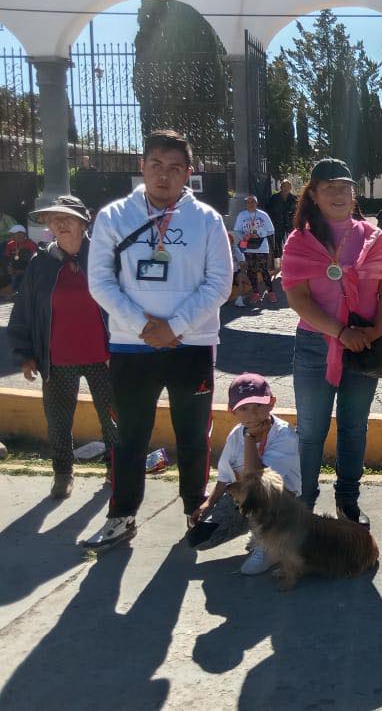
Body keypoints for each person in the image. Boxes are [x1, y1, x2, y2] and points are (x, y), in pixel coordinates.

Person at [81, 129, 233, 550]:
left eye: (174, 168)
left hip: (193, 344)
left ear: (189, 173)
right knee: (129, 435)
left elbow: (219, 284)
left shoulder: (207, 220)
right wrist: (144, 326)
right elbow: (100, 282)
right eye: (156, 166)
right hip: (132, 345)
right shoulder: (113, 216)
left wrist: (176, 326)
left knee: (193, 434)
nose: (164, 176)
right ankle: (122, 516)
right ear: (142, 167)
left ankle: (194, 512)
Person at [281, 159, 382, 524]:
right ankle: (303, 504)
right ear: (313, 195)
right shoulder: (299, 241)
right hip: (317, 346)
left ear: (354, 195)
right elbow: (298, 299)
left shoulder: (373, 237)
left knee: (354, 426)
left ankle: (348, 501)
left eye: (344, 187)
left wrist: (375, 332)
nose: (338, 194)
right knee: (312, 431)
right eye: (328, 187)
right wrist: (340, 333)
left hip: (363, 347)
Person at [7, 195, 119, 500]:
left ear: (84, 223)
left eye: (68, 217)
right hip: (58, 359)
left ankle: (117, 468)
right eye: (54, 218)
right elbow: (24, 312)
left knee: (113, 418)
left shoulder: (105, 257)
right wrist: (26, 354)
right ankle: (62, 472)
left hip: (104, 357)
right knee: (58, 420)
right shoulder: (40, 264)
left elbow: (125, 303)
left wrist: (126, 348)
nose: (60, 223)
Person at [187, 373, 301, 576]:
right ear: (233, 411)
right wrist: (209, 503)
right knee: (200, 539)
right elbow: (225, 476)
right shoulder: (235, 434)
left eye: (259, 405)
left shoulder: (284, 435)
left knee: (261, 496)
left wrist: (250, 439)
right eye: (244, 409)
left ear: (272, 403)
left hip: (278, 501)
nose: (253, 414)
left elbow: (256, 481)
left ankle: (271, 545)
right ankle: (256, 529)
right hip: (245, 500)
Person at [233, 195, 277, 305]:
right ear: (246, 204)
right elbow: (237, 230)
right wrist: (244, 236)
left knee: (263, 270)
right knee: (251, 270)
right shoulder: (241, 215)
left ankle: (271, 292)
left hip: (261, 246)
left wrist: (260, 234)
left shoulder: (263, 215)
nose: (250, 204)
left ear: (256, 203)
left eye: (253, 202)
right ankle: (256, 293)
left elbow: (271, 230)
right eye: (248, 202)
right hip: (248, 246)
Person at [266, 179, 298, 259]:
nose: (286, 188)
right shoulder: (274, 198)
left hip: (290, 224)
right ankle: (279, 260)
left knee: (292, 241)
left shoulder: (294, 198)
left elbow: (298, 211)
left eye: (288, 186)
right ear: (281, 187)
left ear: (290, 188)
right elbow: (268, 210)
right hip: (278, 223)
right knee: (277, 243)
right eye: (284, 186)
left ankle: (292, 257)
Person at [5, 225, 38, 294]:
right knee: (14, 286)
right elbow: (7, 258)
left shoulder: (31, 244)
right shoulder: (10, 244)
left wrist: (25, 271)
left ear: (22, 234)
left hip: (27, 272)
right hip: (14, 271)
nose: (12, 236)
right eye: (12, 234)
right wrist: (9, 267)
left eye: (14, 234)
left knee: (27, 287)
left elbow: (35, 260)